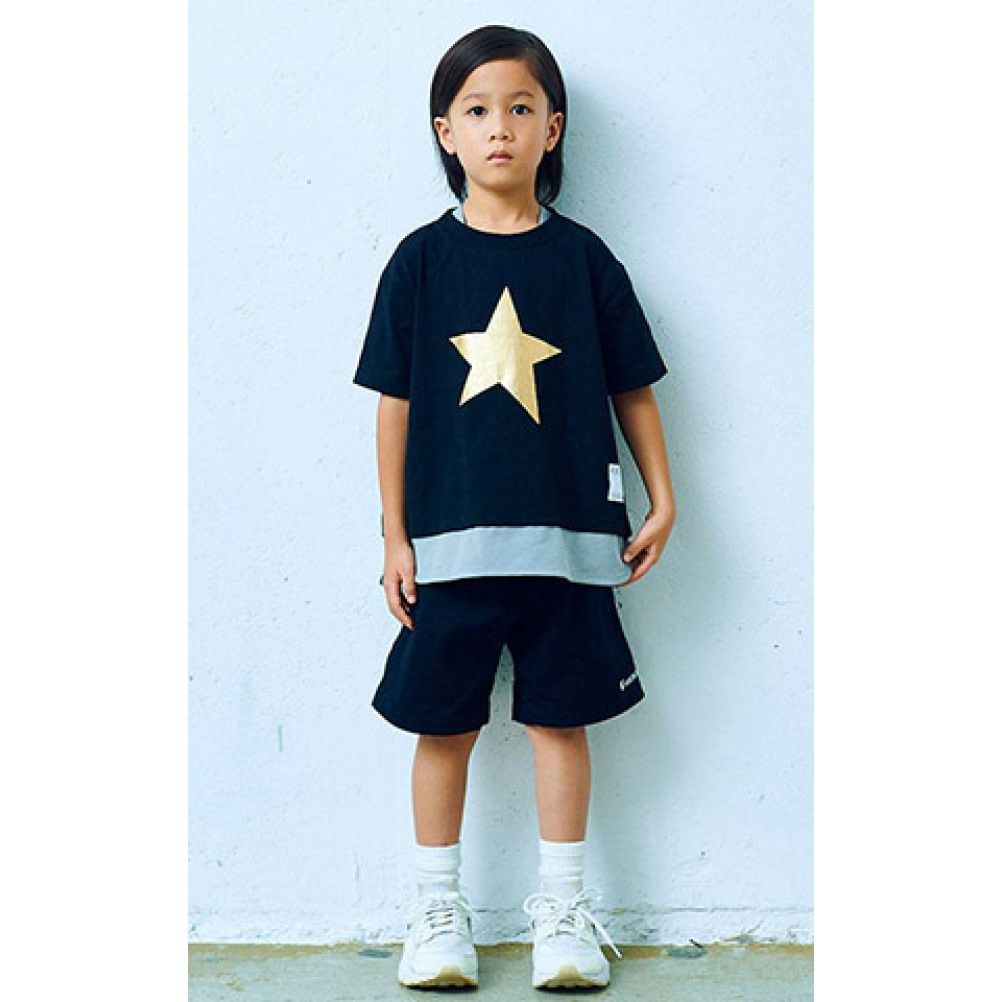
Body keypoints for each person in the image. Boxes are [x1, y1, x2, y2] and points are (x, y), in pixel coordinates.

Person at [351, 24, 677, 991]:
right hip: (447, 551)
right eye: (479, 110)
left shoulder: (584, 260)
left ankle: (564, 916)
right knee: (441, 726)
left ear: (552, 128)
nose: (500, 127)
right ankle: (436, 913)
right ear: (446, 131)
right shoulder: (418, 262)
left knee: (560, 722)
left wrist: (664, 497)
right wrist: (395, 534)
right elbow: (393, 405)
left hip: (570, 547)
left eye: (521, 108)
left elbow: (632, 387)